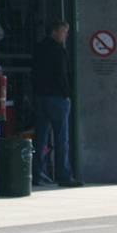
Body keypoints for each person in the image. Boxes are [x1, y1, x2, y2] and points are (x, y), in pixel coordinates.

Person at [32, 19, 82, 187]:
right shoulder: (58, 50)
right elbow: (62, 75)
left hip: (40, 97)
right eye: (63, 32)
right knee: (61, 139)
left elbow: (34, 73)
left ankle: (36, 174)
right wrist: (67, 94)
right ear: (54, 31)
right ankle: (64, 175)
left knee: (41, 138)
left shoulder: (39, 48)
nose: (65, 35)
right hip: (57, 98)